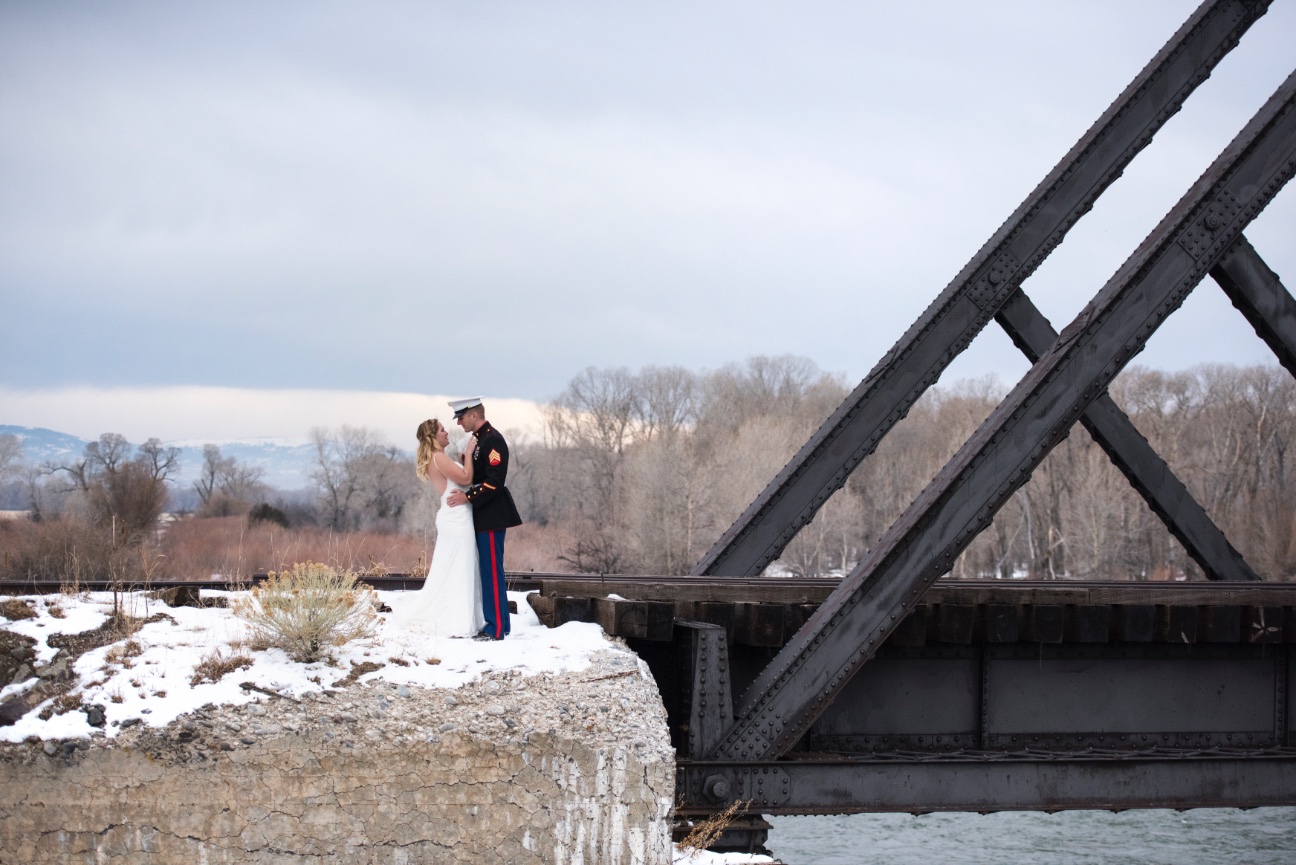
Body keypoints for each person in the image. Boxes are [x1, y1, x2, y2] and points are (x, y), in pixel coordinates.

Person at [392, 418, 486, 638]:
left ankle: (461, 617)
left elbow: (463, 478)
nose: (446, 432)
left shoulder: (439, 458)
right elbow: (466, 478)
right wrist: (469, 453)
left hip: (457, 516)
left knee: (457, 566)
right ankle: (456, 622)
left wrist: (463, 460)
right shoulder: (439, 457)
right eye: (442, 430)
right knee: (460, 566)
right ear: (433, 437)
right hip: (456, 519)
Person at [446, 397, 522, 640]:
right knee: (489, 571)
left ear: (474, 415)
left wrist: (467, 497)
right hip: (485, 513)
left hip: (491, 514)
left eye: (461, 417)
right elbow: (482, 473)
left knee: (491, 572)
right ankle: (501, 624)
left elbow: (494, 482)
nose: (458, 422)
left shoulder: (492, 440)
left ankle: (495, 628)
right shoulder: (480, 440)